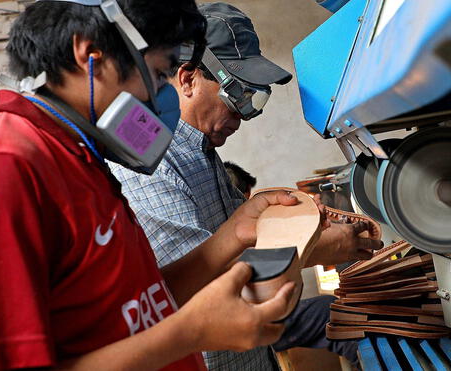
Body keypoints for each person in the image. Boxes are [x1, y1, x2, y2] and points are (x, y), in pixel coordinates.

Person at [0, 0, 303, 369]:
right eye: (160, 75)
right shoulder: (2, 167)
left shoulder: (80, 156)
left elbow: (136, 307)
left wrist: (234, 234)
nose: (164, 99)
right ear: (89, 53)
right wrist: (191, 333)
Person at [111, 3, 383, 370]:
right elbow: (204, 289)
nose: (243, 114)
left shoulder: (202, 154)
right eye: (237, 95)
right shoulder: (153, 164)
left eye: (255, 99)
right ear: (188, 79)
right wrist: (315, 247)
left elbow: (232, 246)